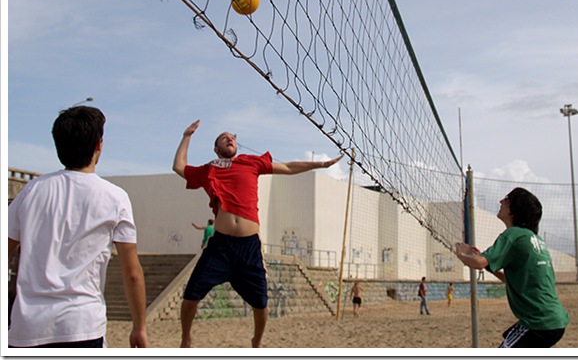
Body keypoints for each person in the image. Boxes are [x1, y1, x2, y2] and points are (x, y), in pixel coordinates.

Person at [172, 119, 343, 348]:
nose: (229, 139)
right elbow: (179, 167)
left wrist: (320, 165)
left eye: (232, 137)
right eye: (224, 138)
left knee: (261, 304)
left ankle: (257, 341)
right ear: (216, 148)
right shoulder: (209, 168)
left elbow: (289, 167)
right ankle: (186, 339)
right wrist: (186, 136)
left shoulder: (250, 163)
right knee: (191, 295)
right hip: (220, 246)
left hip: (249, 247)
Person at [7, 106, 148, 348]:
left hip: (27, 328)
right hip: (81, 324)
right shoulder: (115, 197)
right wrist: (139, 327)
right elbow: (132, 273)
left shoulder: (30, 191)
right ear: (99, 145)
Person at [455, 188, 569, 348]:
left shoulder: (512, 234)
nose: (501, 201)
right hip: (554, 320)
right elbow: (516, 280)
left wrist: (461, 255)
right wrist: (489, 266)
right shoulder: (534, 239)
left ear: (515, 209)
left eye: (507, 199)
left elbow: (478, 262)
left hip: (538, 323)